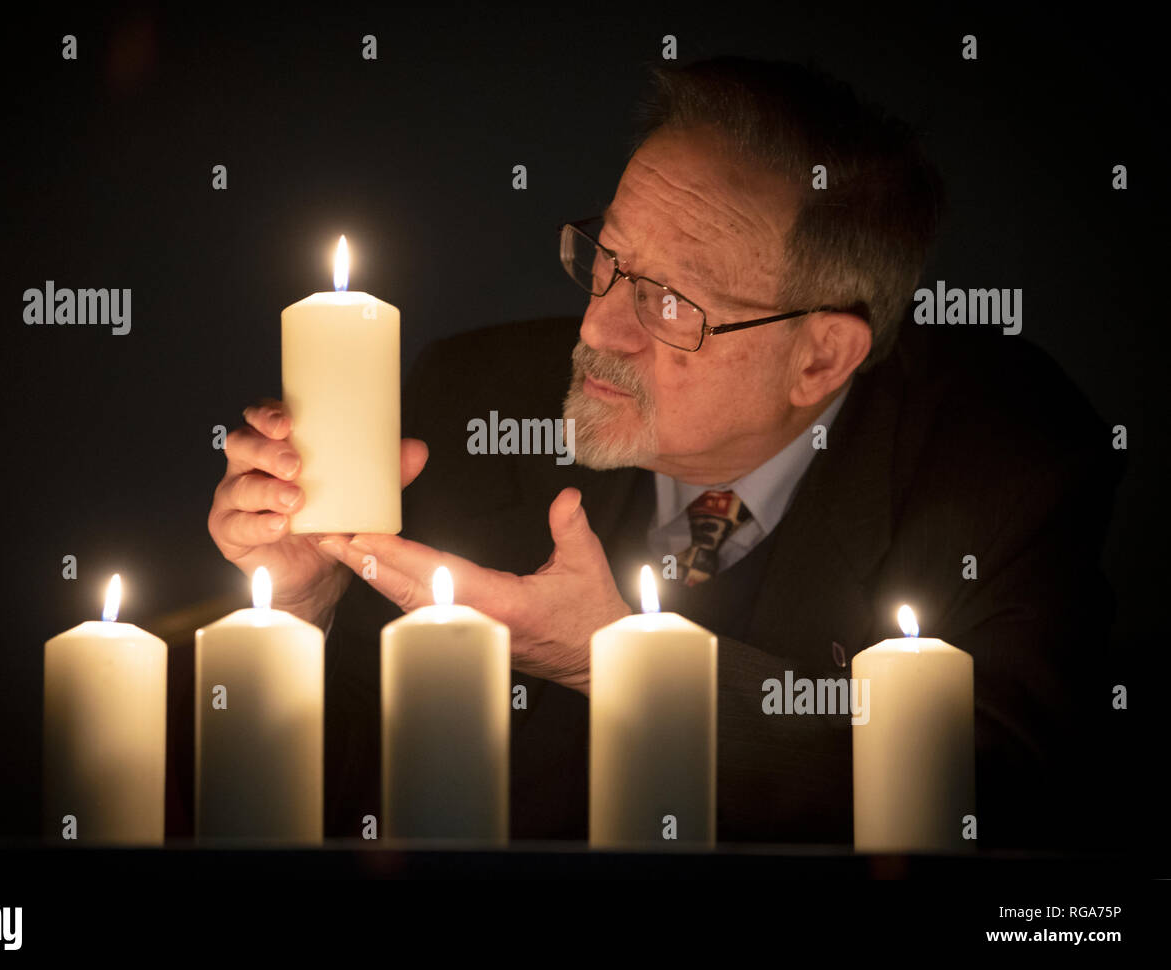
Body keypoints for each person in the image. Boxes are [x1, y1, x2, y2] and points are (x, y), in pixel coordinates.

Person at [207, 57, 1124, 847]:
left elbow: (1005, 802)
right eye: (605, 259)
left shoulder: (1006, 463)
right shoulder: (471, 396)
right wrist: (299, 608)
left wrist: (620, 661)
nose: (598, 326)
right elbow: (351, 810)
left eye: (672, 303)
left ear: (820, 355)